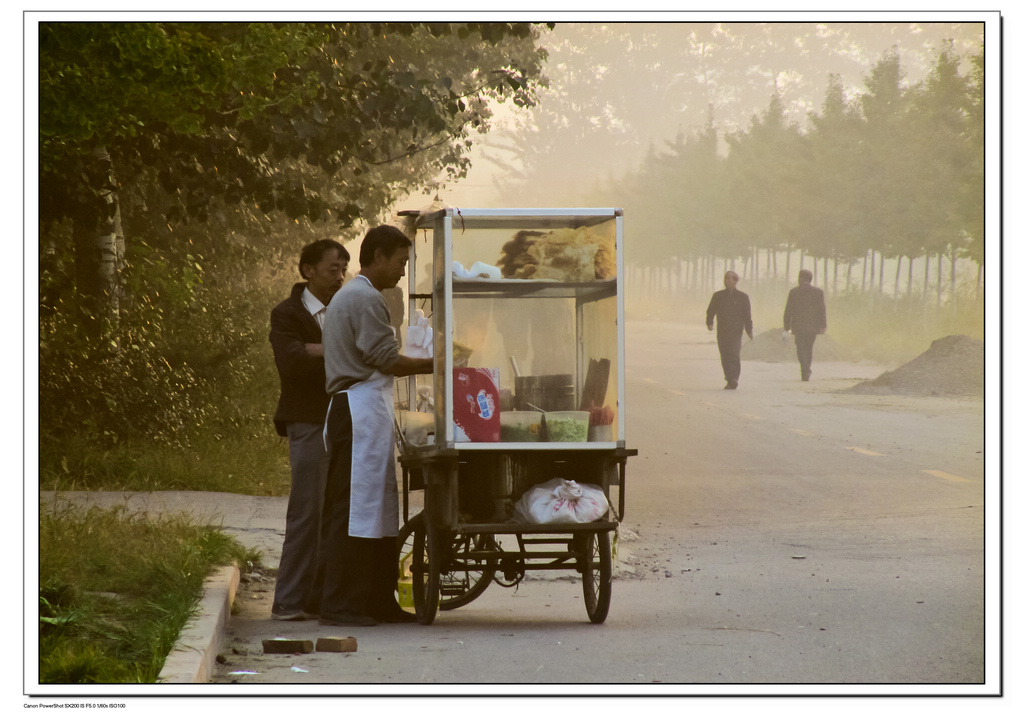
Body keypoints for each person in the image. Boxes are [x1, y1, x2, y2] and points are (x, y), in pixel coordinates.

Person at [319, 225, 434, 626]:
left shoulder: (355, 295)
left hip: (364, 409)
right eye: (401, 262)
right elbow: (387, 359)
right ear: (379, 256)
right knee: (354, 510)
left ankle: (376, 600)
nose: (403, 271)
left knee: (377, 509)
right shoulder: (365, 298)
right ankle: (340, 604)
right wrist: (439, 364)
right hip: (357, 410)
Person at [269, 238, 350, 621]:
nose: (340, 277)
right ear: (308, 270)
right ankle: (287, 600)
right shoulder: (286, 313)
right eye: (333, 269)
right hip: (307, 421)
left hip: (343, 420)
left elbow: (362, 356)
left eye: (343, 270)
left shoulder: (345, 308)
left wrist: (317, 349)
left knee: (335, 513)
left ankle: (317, 598)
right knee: (306, 511)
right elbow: (292, 364)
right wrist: (336, 351)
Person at [705, 270, 753, 389]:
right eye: (726, 279)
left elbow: (747, 315)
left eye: (730, 279)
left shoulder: (742, 297)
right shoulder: (718, 296)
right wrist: (709, 323)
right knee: (725, 355)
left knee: (734, 354)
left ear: (736, 281)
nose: (727, 281)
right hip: (722, 330)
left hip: (736, 331)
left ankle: (734, 378)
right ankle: (729, 378)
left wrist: (749, 330)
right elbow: (710, 311)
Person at [783, 268, 828, 381]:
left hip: (798, 326)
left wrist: (787, 327)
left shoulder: (794, 292)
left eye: (799, 277)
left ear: (801, 278)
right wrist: (823, 325)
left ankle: (804, 369)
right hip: (812, 327)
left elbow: (788, 310)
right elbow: (822, 310)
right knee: (809, 348)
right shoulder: (818, 292)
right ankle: (806, 369)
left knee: (800, 348)